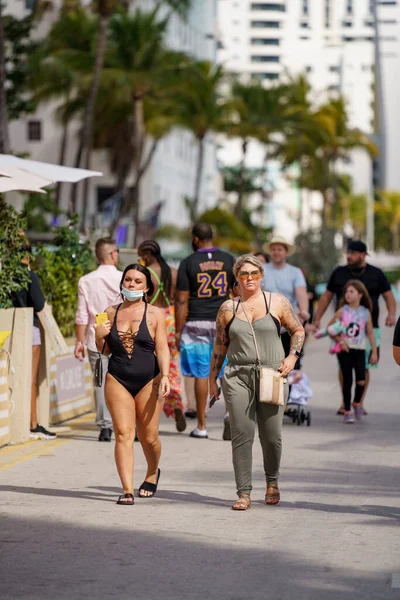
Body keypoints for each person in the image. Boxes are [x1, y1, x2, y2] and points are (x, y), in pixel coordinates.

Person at [209, 254, 305, 510]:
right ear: (237, 278)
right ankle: (244, 492)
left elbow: (298, 330)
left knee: (272, 435)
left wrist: (292, 357)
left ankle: (272, 481)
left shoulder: (277, 302)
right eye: (243, 274)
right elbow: (220, 346)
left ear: (261, 276)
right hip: (237, 375)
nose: (249, 278)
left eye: (254, 274)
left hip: (272, 375)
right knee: (242, 433)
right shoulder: (228, 309)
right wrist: (212, 380)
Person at [95, 263, 170, 505]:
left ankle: (152, 471)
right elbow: (103, 351)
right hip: (117, 378)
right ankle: (127, 489)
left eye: (138, 281)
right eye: (128, 280)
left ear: (147, 287)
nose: (131, 284)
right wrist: (98, 334)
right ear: (122, 283)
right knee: (124, 434)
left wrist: (166, 376)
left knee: (149, 437)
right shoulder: (107, 311)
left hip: (150, 379)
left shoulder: (157, 313)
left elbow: (162, 348)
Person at [313, 240, 396, 414]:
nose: (349, 256)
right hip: (343, 330)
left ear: (363, 255)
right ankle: (345, 403)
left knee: (365, 366)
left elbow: (388, 296)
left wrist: (390, 315)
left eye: (353, 253)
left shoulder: (376, 274)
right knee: (344, 366)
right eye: (348, 253)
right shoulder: (339, 273)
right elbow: (327, 297)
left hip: (369, 329)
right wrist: (317, 319)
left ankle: (359, 402)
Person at [175, 223, 235, 439]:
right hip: (223, 322)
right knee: (225, 371)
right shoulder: (228, 260)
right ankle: (230, 415)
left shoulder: (188, 262)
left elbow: (181, 299)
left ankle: (202, 425)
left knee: (201, 373)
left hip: (196, 322)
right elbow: (236, 293)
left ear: (196, 239)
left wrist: (178, 330)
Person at [75, 237, 122, 442]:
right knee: (125, 382)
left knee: (100, 382)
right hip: (122, 337)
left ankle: (105, 428)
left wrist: (78, 341)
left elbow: (82, 315)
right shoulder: (125, 278)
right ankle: (128, 424)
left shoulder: (85, 280)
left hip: (96, 339)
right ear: (113, 254)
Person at [137, 240, 185, 433]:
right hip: (171, 319)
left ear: (147, 254)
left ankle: (149, 412)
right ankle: (177, 405)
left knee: (150, 366)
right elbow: (182, 300)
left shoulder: (146, 273)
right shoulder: (174, 272)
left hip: (153, 318)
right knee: (170, 366)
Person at [13, 238, 57, 440]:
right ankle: (33, 423)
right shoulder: (29, 276)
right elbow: (39, 305)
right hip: (29, 328)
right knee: (30, 378)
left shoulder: (7, 275)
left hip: (9, 328)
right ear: (28, 254)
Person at [325, 280, 377, 423]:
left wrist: (374, 351)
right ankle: (347, 410)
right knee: (347, 380)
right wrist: (340, 341)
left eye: (351, 292)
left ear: (360, 294)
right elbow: (329, 329)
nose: (347, 294)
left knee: (361, 380)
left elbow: (370, 332)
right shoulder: (342, 311)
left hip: (360, 349)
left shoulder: (365, 312)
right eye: (346, 292)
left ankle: (357, 402)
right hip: (345, 350)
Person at [261, 235, 309, 369]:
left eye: (280, 249)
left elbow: (301, 295)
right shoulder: (262, 270)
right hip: (266, 325)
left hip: (288, 326)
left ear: (286, 252)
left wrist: (304, 312)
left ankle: (289, 389)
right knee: (268, 366)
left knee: (290, 366)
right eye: (273, 249)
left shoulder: (295, 272)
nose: (276, 252)